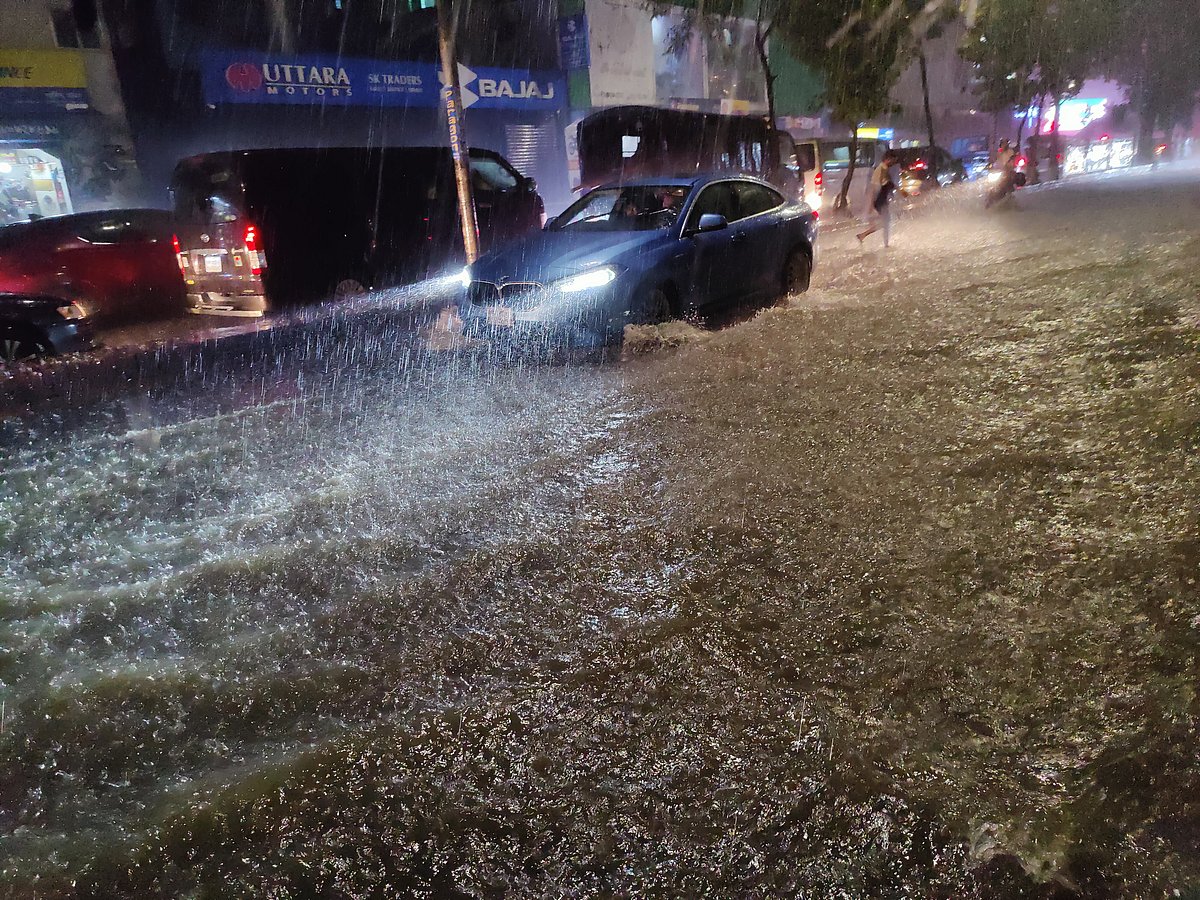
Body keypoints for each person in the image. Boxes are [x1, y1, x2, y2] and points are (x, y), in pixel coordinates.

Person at [857, 150, 900, 247]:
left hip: (882, 199)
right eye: (893, 160)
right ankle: (885, 244)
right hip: (880, 200)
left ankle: (863, 235)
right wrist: (871, 204)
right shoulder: (880, 170)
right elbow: (873, 187)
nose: (893, 163)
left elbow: (888, 184)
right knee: (886, 222)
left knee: (886, 222)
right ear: (888, 159)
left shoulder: (884, 169)